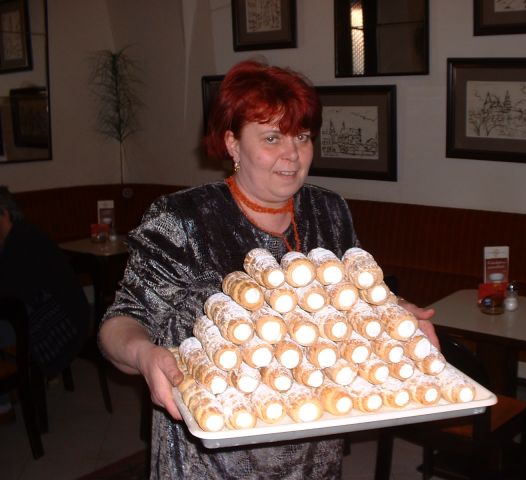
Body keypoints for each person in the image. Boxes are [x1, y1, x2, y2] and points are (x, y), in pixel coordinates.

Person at [98, 59, 438, 479]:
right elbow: (120, 323)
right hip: (214, 452)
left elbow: (353, 300)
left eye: (302, 137)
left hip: (314, 435)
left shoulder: (329, 211)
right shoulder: (183, 219)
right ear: (232, 144)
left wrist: (394, 312)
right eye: (272, 137)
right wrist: (143, 354)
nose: (292, 154)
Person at [0, 186, 90, 422]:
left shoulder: (23, 239)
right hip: (54, 310)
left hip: (64, 320)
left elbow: (13, 294)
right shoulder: (16, 237)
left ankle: (5, 403)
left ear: (5, 214)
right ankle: (14, 386)